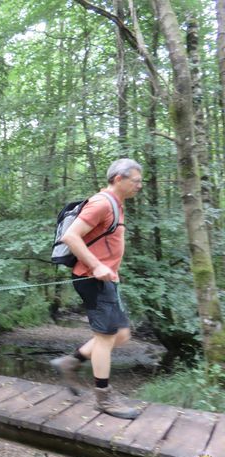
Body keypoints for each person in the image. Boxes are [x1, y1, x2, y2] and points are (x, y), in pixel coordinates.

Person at [50, 158, 143, 419]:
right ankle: (104, 398)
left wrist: (110, 269)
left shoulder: (117, 205)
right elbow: (70, 236)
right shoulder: (102, 203)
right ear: (118, 179)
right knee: (105, 337)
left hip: (105, 280)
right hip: (92, 278)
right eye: (136, 181)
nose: (140, 186)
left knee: (121, 334)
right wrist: (97, 266)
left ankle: (71, 361)